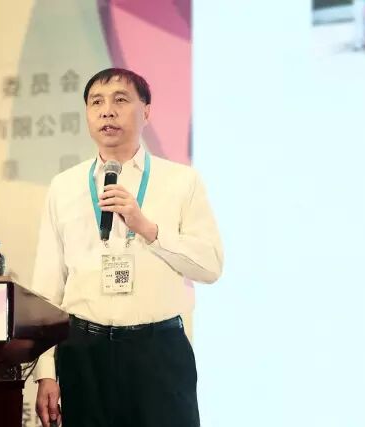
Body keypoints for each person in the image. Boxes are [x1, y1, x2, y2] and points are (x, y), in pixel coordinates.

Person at [30, 68, 223, 427]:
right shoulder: (64, 186)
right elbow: (47, 284)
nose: (107, 110)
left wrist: (147, 229)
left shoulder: (182, 181)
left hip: (158, 350)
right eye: (96, 102)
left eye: (120, 100)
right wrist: (45, 373)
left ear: (146, 111)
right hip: (84, 351)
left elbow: (210, 265)